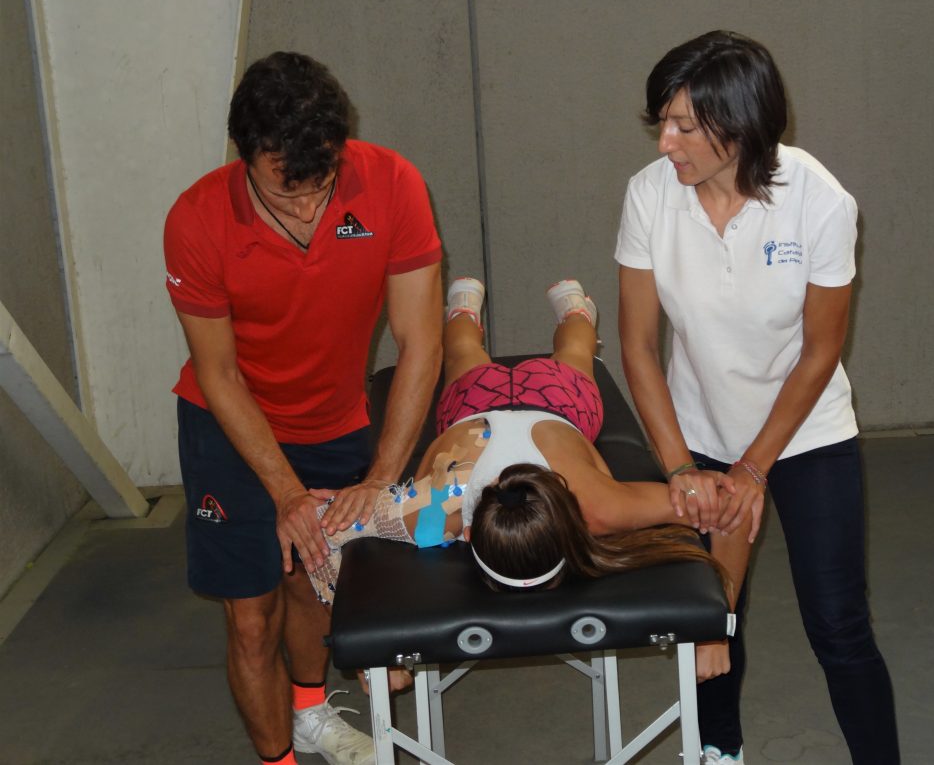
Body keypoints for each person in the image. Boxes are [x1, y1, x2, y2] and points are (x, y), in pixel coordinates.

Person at [616, 31, 900, 765]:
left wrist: (754, 468)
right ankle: (720, 750)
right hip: (697, 432)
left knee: (838, 624)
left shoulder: (819, 199)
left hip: (805, 435)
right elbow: (639, 347)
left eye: (682, 125)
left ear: (736, 128)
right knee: (711, 613)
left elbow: (820, 351)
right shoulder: (651, 197)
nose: (664, 144)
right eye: (662, 123)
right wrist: (682, 468)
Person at [164, 52, 442, 765]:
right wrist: (286, 492)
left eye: (319, 190)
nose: (306, 210)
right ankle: (277, 759)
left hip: (334, 416)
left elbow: (419, 343)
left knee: (314, 580)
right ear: (246, 156)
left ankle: (311, 710)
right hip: (230, 421)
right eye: (285, 194)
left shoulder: (392, 184)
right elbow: (218, 372)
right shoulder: (196, 220)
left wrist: (381, 477)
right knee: (253, 616)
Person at [306, 277, 735, 605]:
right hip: (477, 404)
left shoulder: (600, 509)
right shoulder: (433, 514)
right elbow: (325, 527)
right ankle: (481, 306)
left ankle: (567, 310)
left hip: (556, 402)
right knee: (466, 355)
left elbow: (715, 501)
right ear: (471, 534)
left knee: (573, 355)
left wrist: (366, 650)